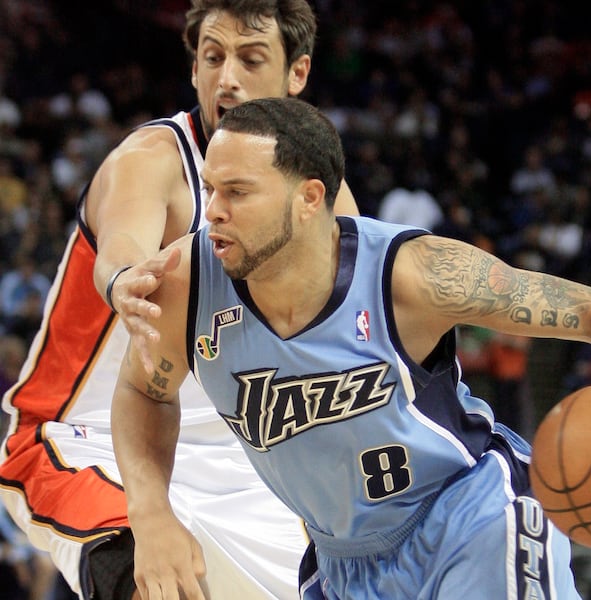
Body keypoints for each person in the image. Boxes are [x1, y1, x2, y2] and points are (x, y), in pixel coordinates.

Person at [111, 97, 591, 599]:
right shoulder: (186, 284)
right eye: (211, 188)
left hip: (467, 520)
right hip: (342, 565)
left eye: (238, 193)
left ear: (309, 198)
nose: (211, 211)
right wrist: (151, 512)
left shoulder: (412, 275)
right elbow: (143, 390)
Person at [0, 2, 359, 599]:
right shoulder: (153, 160)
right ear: (193, 69)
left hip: (251, 466)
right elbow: (122, 244)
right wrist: (122, 280)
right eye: (212, 57)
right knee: (162, 583)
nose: (228, 78)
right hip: (88, 439)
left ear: (297, 74)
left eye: (250, 58)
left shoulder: (321, 194)